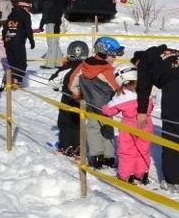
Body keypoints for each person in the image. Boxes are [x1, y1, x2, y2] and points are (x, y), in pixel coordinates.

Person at [131, 44, 179, 193]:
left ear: (138, 61)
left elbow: (143, 88)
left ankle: (172, 180)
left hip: (175, 84)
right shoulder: (171, 51)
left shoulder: (144, 61)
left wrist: (142, 112)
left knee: (170, 131)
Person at [69, 37, 124, 169]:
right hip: (107, 107)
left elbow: (72, 82)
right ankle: (109, 156)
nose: (114, 58)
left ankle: (95, 156)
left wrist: (77, 93)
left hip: (90, 105)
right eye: (112, 55)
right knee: (107, 130)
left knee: (93, 129)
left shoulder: (83, 66)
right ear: (104, 53)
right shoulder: (107, 70)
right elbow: (117, 87)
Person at [101, 66, 154, 185]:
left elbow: (109, 110)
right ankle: (141, 173)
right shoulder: (146, 92)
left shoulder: (122, 96)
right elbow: (151, 107)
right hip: (146, 124)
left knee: (127, 151)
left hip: (128, 126)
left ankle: (125, 174)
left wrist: (103, 107)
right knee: (143, 150)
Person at [48, 41, 89, 157]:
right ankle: (78, 146)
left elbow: (52, 82)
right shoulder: (88, 67)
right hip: (83, 99)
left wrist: (58, 87)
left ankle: (66, 146)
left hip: (68, 98)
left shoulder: (66, 67)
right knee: (78, 122)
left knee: (65, 122)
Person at [2, 0, 35, 87]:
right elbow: (28, 29)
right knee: (21, 63)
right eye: (28, 8)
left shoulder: (9, 13)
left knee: (11, 62)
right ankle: (17, 80)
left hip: (8, 41)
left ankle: (9, 80)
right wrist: (31, 41)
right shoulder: (25, 15)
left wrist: (4, 39)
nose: (29, 10)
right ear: (24, 6)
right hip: (18, 41)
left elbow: (4, 28)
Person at [37, 0, 67, 68]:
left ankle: (50, 64)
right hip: (48, 23)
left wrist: (57, 25)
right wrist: (41, 24)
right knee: (54, 43)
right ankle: (58, 63)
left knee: (52, 43)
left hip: (55, 23)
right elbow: (45, 13)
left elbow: (59, 12)